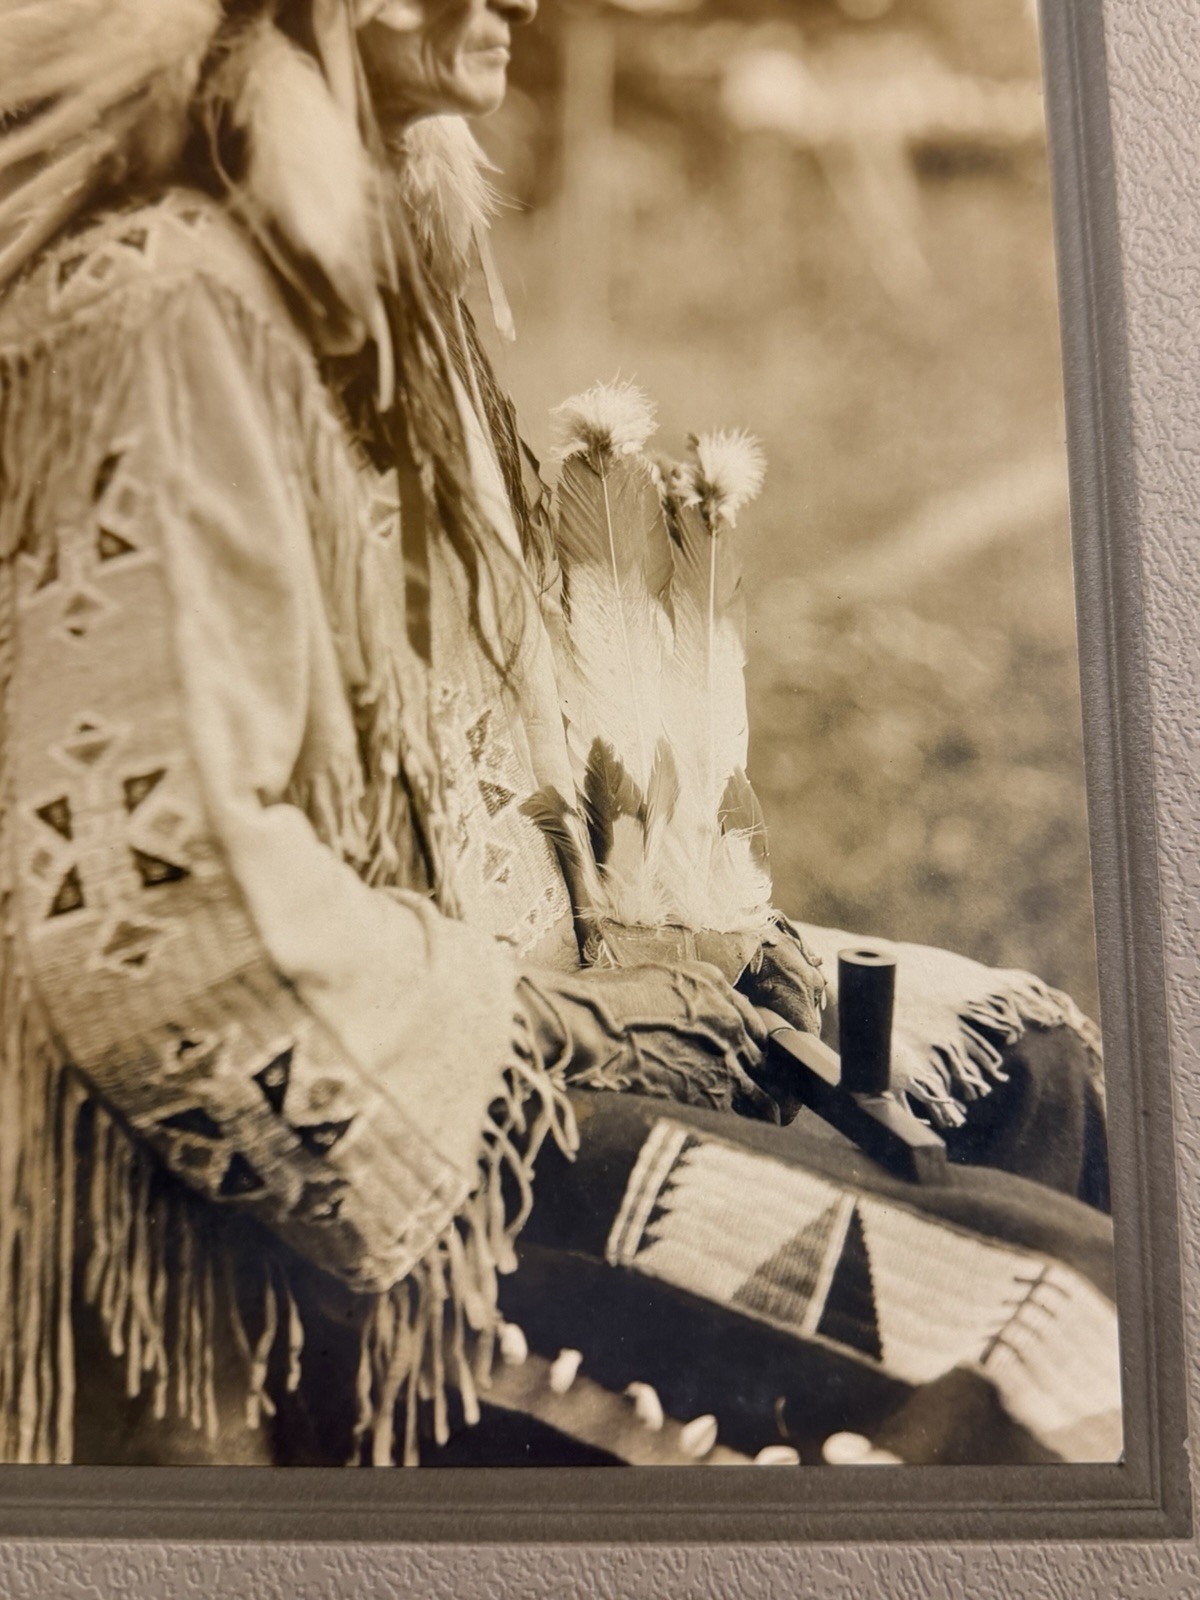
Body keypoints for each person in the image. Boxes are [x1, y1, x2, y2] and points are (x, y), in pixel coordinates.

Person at [0, 0, 1115, 1469]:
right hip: (280, 1182)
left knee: (1017, 1067)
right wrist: (544, 1026)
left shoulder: (376, 259)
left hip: (454, 1005)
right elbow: (156, 936)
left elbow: (444, 752)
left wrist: (658, 956)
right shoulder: (160, 311)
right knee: (1054, 1328)